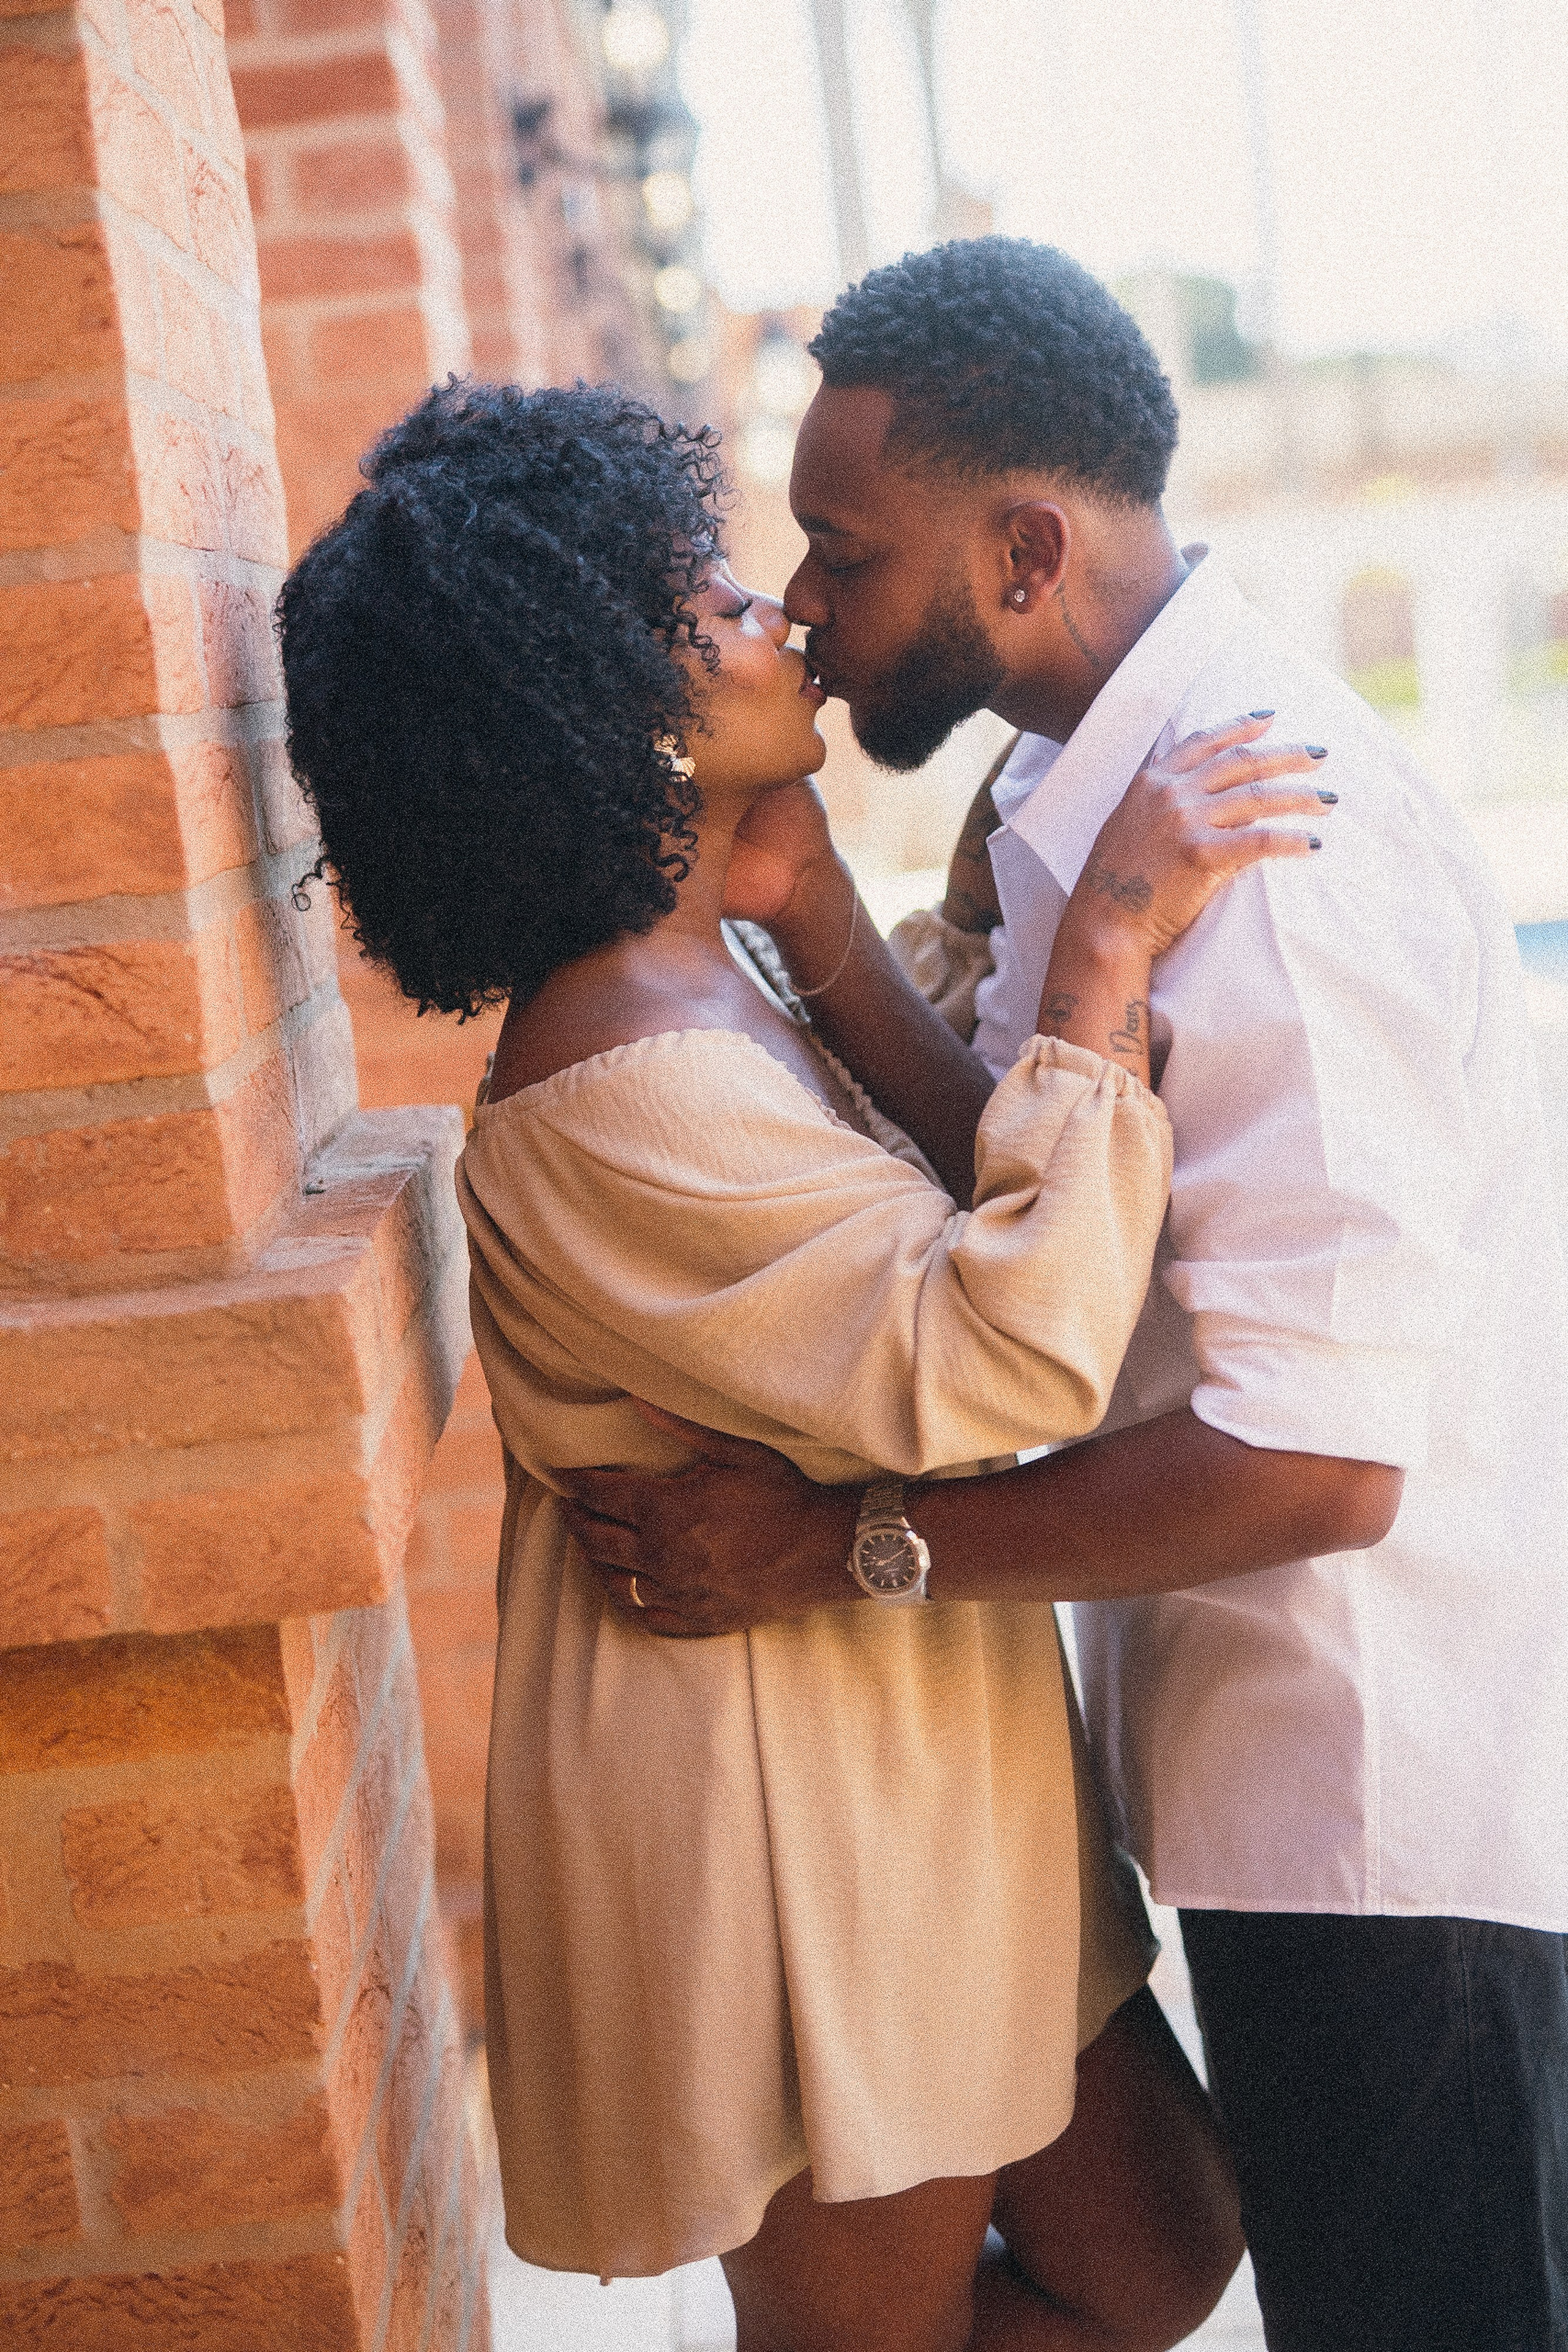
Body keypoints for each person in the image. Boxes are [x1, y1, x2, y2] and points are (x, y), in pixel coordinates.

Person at [560, 242, 1568, 2352]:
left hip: (1392, 1814)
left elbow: (1315, 1471)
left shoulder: (1266, 863)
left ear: (1025, 551)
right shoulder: (1077, 794)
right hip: (1259, 1765)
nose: (805, 605)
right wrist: (824, 919)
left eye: (844, 550)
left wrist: (838, 1549)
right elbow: (1039, 1208)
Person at [277, 377, 1333, 2352]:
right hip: (791, 1825)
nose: (776, 611)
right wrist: (1106, 949)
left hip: (921, 1753)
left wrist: (862, 911)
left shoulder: (709, 968)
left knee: (1164, 2252)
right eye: (711, 608)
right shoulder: (619, 1081)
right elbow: (1000, 1354)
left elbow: (898, 1180)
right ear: (614, 717)